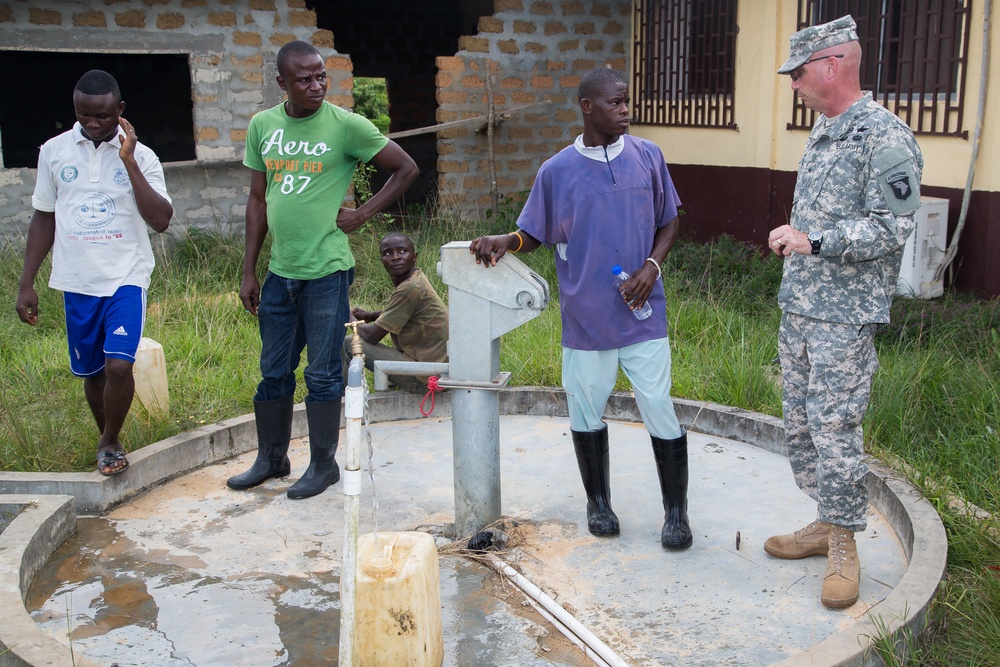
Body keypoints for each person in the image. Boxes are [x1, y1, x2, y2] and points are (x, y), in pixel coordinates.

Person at [470, 68, 692, 550]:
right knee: (586, 407)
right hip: (587, 316)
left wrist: (652, 266)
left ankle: (676, 513)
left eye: (628, 101)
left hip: (643, 311)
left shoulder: (648, 157)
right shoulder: (558, 171)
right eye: (615, 103)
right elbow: (536, 231)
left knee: (658, 405)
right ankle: (599, 503)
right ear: (587, 107)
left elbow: (669, 221)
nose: (626, 110)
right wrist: (506, 240)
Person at [766, 16, 923, 609]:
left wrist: (815, 240)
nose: (794, 86)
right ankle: (825, 521)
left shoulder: (885, 137)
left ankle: (844, 544)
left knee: (835, 427)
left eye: (799, 73)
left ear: (832, 66)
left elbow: (893, 225)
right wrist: (801, 247)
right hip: (800, 306)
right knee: (801, 425)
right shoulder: (824, 130)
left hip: (843, 315)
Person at [229, 40, 418, 500]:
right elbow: (257, 200)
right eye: (304, 79)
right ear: (282, 84)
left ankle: (322, 465)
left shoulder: (345, 125)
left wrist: (361, 214)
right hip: (279, 273)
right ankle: (271, 459)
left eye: (320, 76)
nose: (315, 86)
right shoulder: (263, 126)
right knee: (273, 369)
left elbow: (405, 167)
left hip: (327, 271)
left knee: (322, 374)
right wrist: (249, 270)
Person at [16, 69, 174, 476]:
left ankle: (109, 441)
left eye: (102, 116)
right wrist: (27, 282)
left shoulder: (143, 156)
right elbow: (43, 219)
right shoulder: (53, 151)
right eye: (83, 115)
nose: (92, 124)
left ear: (120, 111)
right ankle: (107, 434)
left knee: (119, 365)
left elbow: (161, 220)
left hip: (126, 275)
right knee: (92, 372)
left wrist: (128, 160)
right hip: (77, 280)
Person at [342, 232, 448, 393]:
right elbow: (405, 313)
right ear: (382, 261)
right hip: (437, 371)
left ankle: (344, 399)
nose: (395, 257)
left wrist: (346, 314)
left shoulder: (409, 287)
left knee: (347, 343)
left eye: (402, 251)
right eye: (387, 253)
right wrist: (371, 316)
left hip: (426, 378)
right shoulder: (416, 278)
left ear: (414, 256)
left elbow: (373, 335)